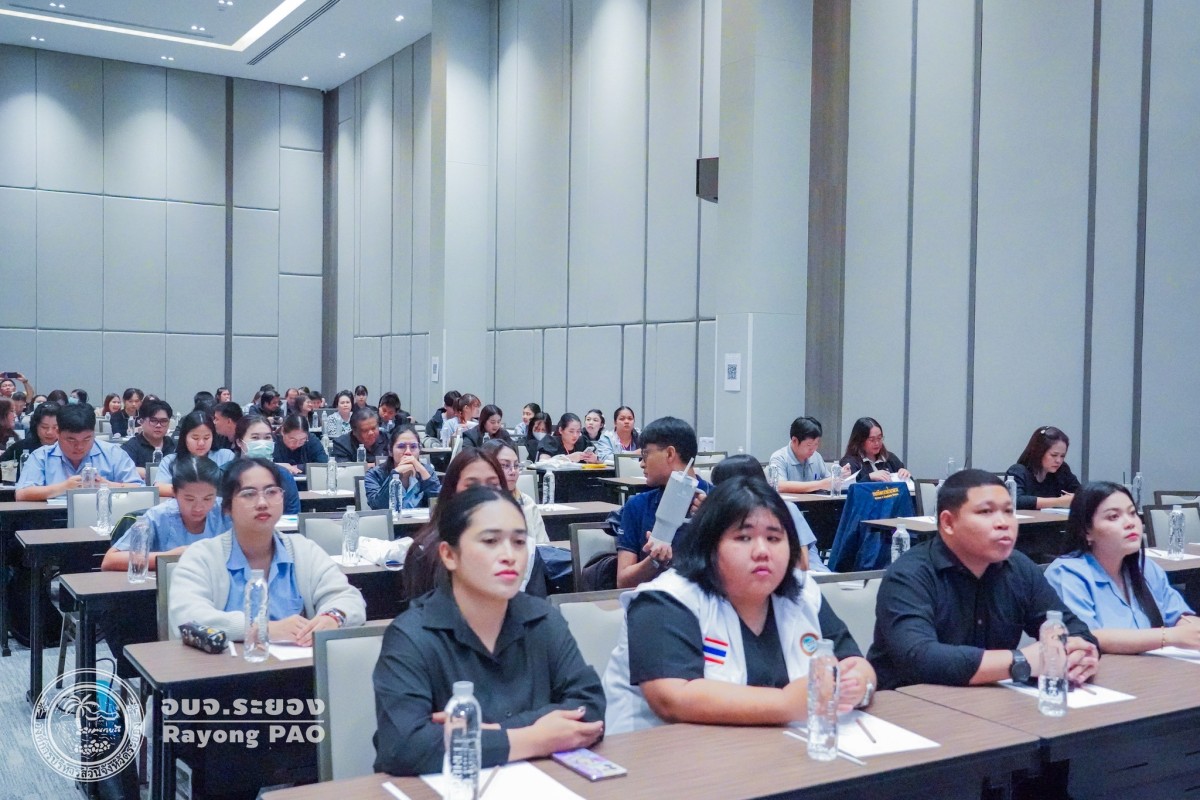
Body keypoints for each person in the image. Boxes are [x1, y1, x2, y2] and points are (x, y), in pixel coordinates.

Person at [604, 478, 873, 734]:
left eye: (774, 538)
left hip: (775, 748)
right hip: (665, 755)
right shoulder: (665, 599)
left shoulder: (802, 590)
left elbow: (854, 662)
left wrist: (860, 684)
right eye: (744, 538)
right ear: (709, 546)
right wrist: (785, 704)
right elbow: (672, 698)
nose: (762, 551)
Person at [373, 486, 605, 776]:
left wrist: (483, 731)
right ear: (449, 555)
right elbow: (404, 746)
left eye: (519, 542)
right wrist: (533, 738)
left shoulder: (544, 619)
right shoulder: (411, 635)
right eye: (491, 541)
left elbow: (589, 706)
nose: (509, 555)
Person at [867, 469, 1100, 690]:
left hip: (991, 701)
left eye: (1008, 511)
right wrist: (1021, 660)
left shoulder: (1019, 568)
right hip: (910, 704)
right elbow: (920, 657)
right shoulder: (909, 575)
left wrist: (1078, 655)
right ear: (948, 522)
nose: (1003, 522)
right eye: (986, 512)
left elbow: (1074, 629)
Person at [168, 458, 366, 643]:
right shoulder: (201, 557)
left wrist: (333, 618)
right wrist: (260, 628)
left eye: (271, 492)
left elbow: (349, 598)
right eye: (249, 494)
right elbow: (186, 617)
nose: (262, 503)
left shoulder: (304, 550)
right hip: (225, 666)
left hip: (297, 665)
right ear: (227, 506)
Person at [1046, 482, 1200, 654]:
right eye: (1113, 516)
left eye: (1132, 513)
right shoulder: (1066, 573)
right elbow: (1084, 636)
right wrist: (1169, 636)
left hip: (1152, 667)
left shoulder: (1145, 567)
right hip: (1102, 669)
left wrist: (1191, 630)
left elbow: (1179, 616)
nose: (1130, 523)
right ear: (1086, 531)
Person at [403, 448, 549, 598]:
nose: (483, 493)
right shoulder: (424, 553)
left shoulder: (526, 550)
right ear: (452, 492)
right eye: (472, 486)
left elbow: (535, 608)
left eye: (493, 485)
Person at [616, 417, 712, 589]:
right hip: (655, 598)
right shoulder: (637, 505)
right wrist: (653, 562)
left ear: (669, 454)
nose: (641, 464)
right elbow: (623, 582)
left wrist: (714, 521)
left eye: (646, 454)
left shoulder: (719, 502)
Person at [102, 456, 229, 571]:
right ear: (174, 492)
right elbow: (110, 560)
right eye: (190, 499)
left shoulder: (226, 511)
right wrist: (168, 557)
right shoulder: (158, 516)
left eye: (207, 499)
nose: (198, 507)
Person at [710, 454, 827, 572]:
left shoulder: (784, 509)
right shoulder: (725, 513)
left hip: (813, 577)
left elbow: (802, 565)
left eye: (720, 487)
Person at [16, 403, 143, 500]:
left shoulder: (113, 453)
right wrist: (64, 487)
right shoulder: (41, 456)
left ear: (94, 433)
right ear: (58, 433)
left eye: (86, 439)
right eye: (71, 440)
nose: (79, 446)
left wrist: (107, 485)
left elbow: (141, 490)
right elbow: (22, 494)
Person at [230, 416, 302, 514]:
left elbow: (293, 514)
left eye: (267, 437)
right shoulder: (226, 474)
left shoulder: (284, 475)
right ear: (239, 442)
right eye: (255, 438)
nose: (262, 443)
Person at [482, 439, 549, 545]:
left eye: (516, 465)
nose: (513, 471)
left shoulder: (527, 503)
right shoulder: (474, 506)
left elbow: (543, 547)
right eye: (505, 465)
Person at [154, 411, 235, 497]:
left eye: (206, 438)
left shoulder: (226, 456)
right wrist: (197, 491)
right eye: (195, 438)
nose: (201, 443)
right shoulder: (170, 461)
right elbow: (159, 488)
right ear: (184, 437)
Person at [363, 424, 441, 510]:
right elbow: (378, 507)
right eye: (401, 446)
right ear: (390, 451)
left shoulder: (428, 472)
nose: (408, 452)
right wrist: (395, 475)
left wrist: (423, 472)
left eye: (413, 447)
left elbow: (439, 505)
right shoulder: (374, 475)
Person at [1006, 425, 1081, 510]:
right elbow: (1015, 500)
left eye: (1062, 456)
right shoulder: (1018, 471)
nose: (1059, 460)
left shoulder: (1062, 470)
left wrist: (1076, 498)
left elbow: (1082, 493)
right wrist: (1059, 502)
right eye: (1054, 455)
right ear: (1039, 453)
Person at [768, 416, 847, 494]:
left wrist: (840, 475)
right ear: (794, 440)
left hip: (815, 501)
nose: (813, 449)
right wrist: (820, 484)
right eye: (809, 445)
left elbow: (829, 480)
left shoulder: (816, 457)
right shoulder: (779, 458)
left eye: (816, 444)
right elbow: (780, 486)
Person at [839, 416, 910, 483]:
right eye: (872, 440)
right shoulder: (850, 462)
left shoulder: (889, 458)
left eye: (879, 438)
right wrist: (869, 477)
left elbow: (910, 485)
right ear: (860, 441)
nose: (877, 443)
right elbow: (848, 486)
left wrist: (905, 475)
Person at [1, 401, 60, 481]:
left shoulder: (67, 449)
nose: (49, 432)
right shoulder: (20, 447)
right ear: (35, 426)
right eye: (44, 427)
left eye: (55, 427)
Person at [121, 398, 178, 476]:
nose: (158, 425)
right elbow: (122, 470)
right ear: (141, 421)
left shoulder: (174, 445)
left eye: (164, 421)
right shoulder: (130, 447)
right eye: (153, 420)